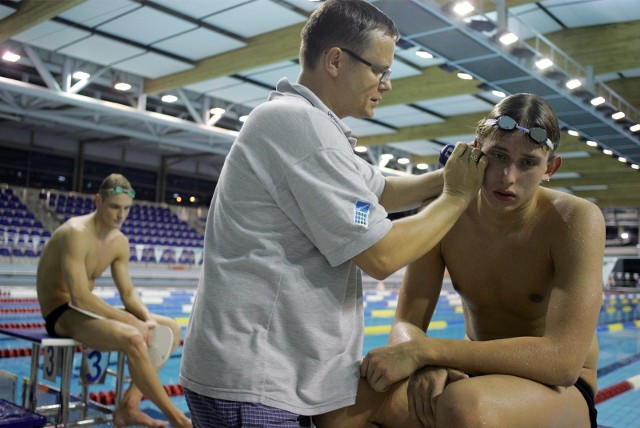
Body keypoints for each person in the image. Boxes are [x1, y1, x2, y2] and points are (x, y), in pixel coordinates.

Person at [179, 0, 487, 426]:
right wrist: (456, 196)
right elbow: (382, 254)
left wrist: (449, 176)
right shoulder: (302, 129)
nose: (387, 84)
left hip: (273, 377)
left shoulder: (310, 125)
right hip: (256, 382)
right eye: (380, 70)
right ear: (337, 60)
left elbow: (381, 191)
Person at [342, 93, 603, 427]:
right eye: (498, 155)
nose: (508, 176)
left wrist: (428, 352)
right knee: (345, 397)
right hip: (475, 371)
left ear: (550, 167)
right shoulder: (445, 214)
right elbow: (406, 323)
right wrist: (424, 361)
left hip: (557, 387)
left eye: (528, 163)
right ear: (477, 149)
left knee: (464, 406)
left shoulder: (574, 220)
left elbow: (562, 362)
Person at [36, 173, 191, 428]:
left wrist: (147, 317)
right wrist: (132, 321)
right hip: (62, 312)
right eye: (115, 207)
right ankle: (179, 420)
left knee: (172, 330)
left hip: (86, 311)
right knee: (133, 337)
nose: (121, 215)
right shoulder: (76, 233)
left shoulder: (119, 242)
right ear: (98, 201)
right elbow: (79, 297)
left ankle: (129, 406)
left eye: (126, 209)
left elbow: (128, 294)